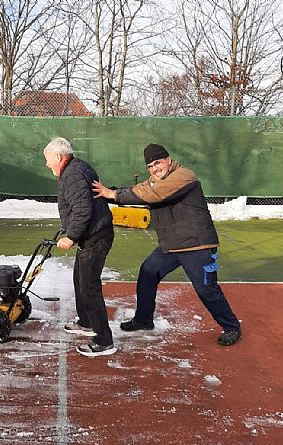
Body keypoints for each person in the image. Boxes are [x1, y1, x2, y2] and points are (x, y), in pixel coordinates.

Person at [92, 143, 241, 346]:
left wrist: (113, 194)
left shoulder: (183, 176)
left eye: (157, 163)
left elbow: (155, 195)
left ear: (168, 160)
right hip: (171, 245)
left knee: (206, 289)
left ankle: (231, 326)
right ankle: (144, 320)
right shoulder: (155, 181)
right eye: (150, 166)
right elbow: (139, 191)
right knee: (148, 272)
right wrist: (109, 193)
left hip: (196, 245)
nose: (154, 169)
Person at [43, 137, 116, 357]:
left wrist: (71, 236)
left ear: (58, 157)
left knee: (89, 287)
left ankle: (104, 340)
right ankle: (86, 323)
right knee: (79, 280)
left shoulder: (73, 173)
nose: (47, 165)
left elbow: (83, 209)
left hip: (96, 236)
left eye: (48, 160)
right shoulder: (76, 168)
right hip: (92, 235)